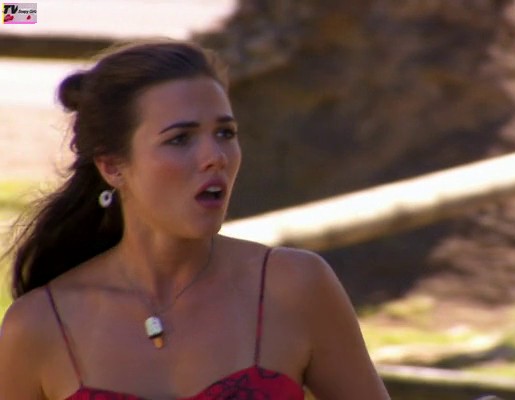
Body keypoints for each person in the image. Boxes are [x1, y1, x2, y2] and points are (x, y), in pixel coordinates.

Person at [0, 39, 390, 400]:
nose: (215, 157)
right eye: (180, 139)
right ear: (112, 166)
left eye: (225, 133)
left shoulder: (294, 287)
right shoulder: (39, 325)